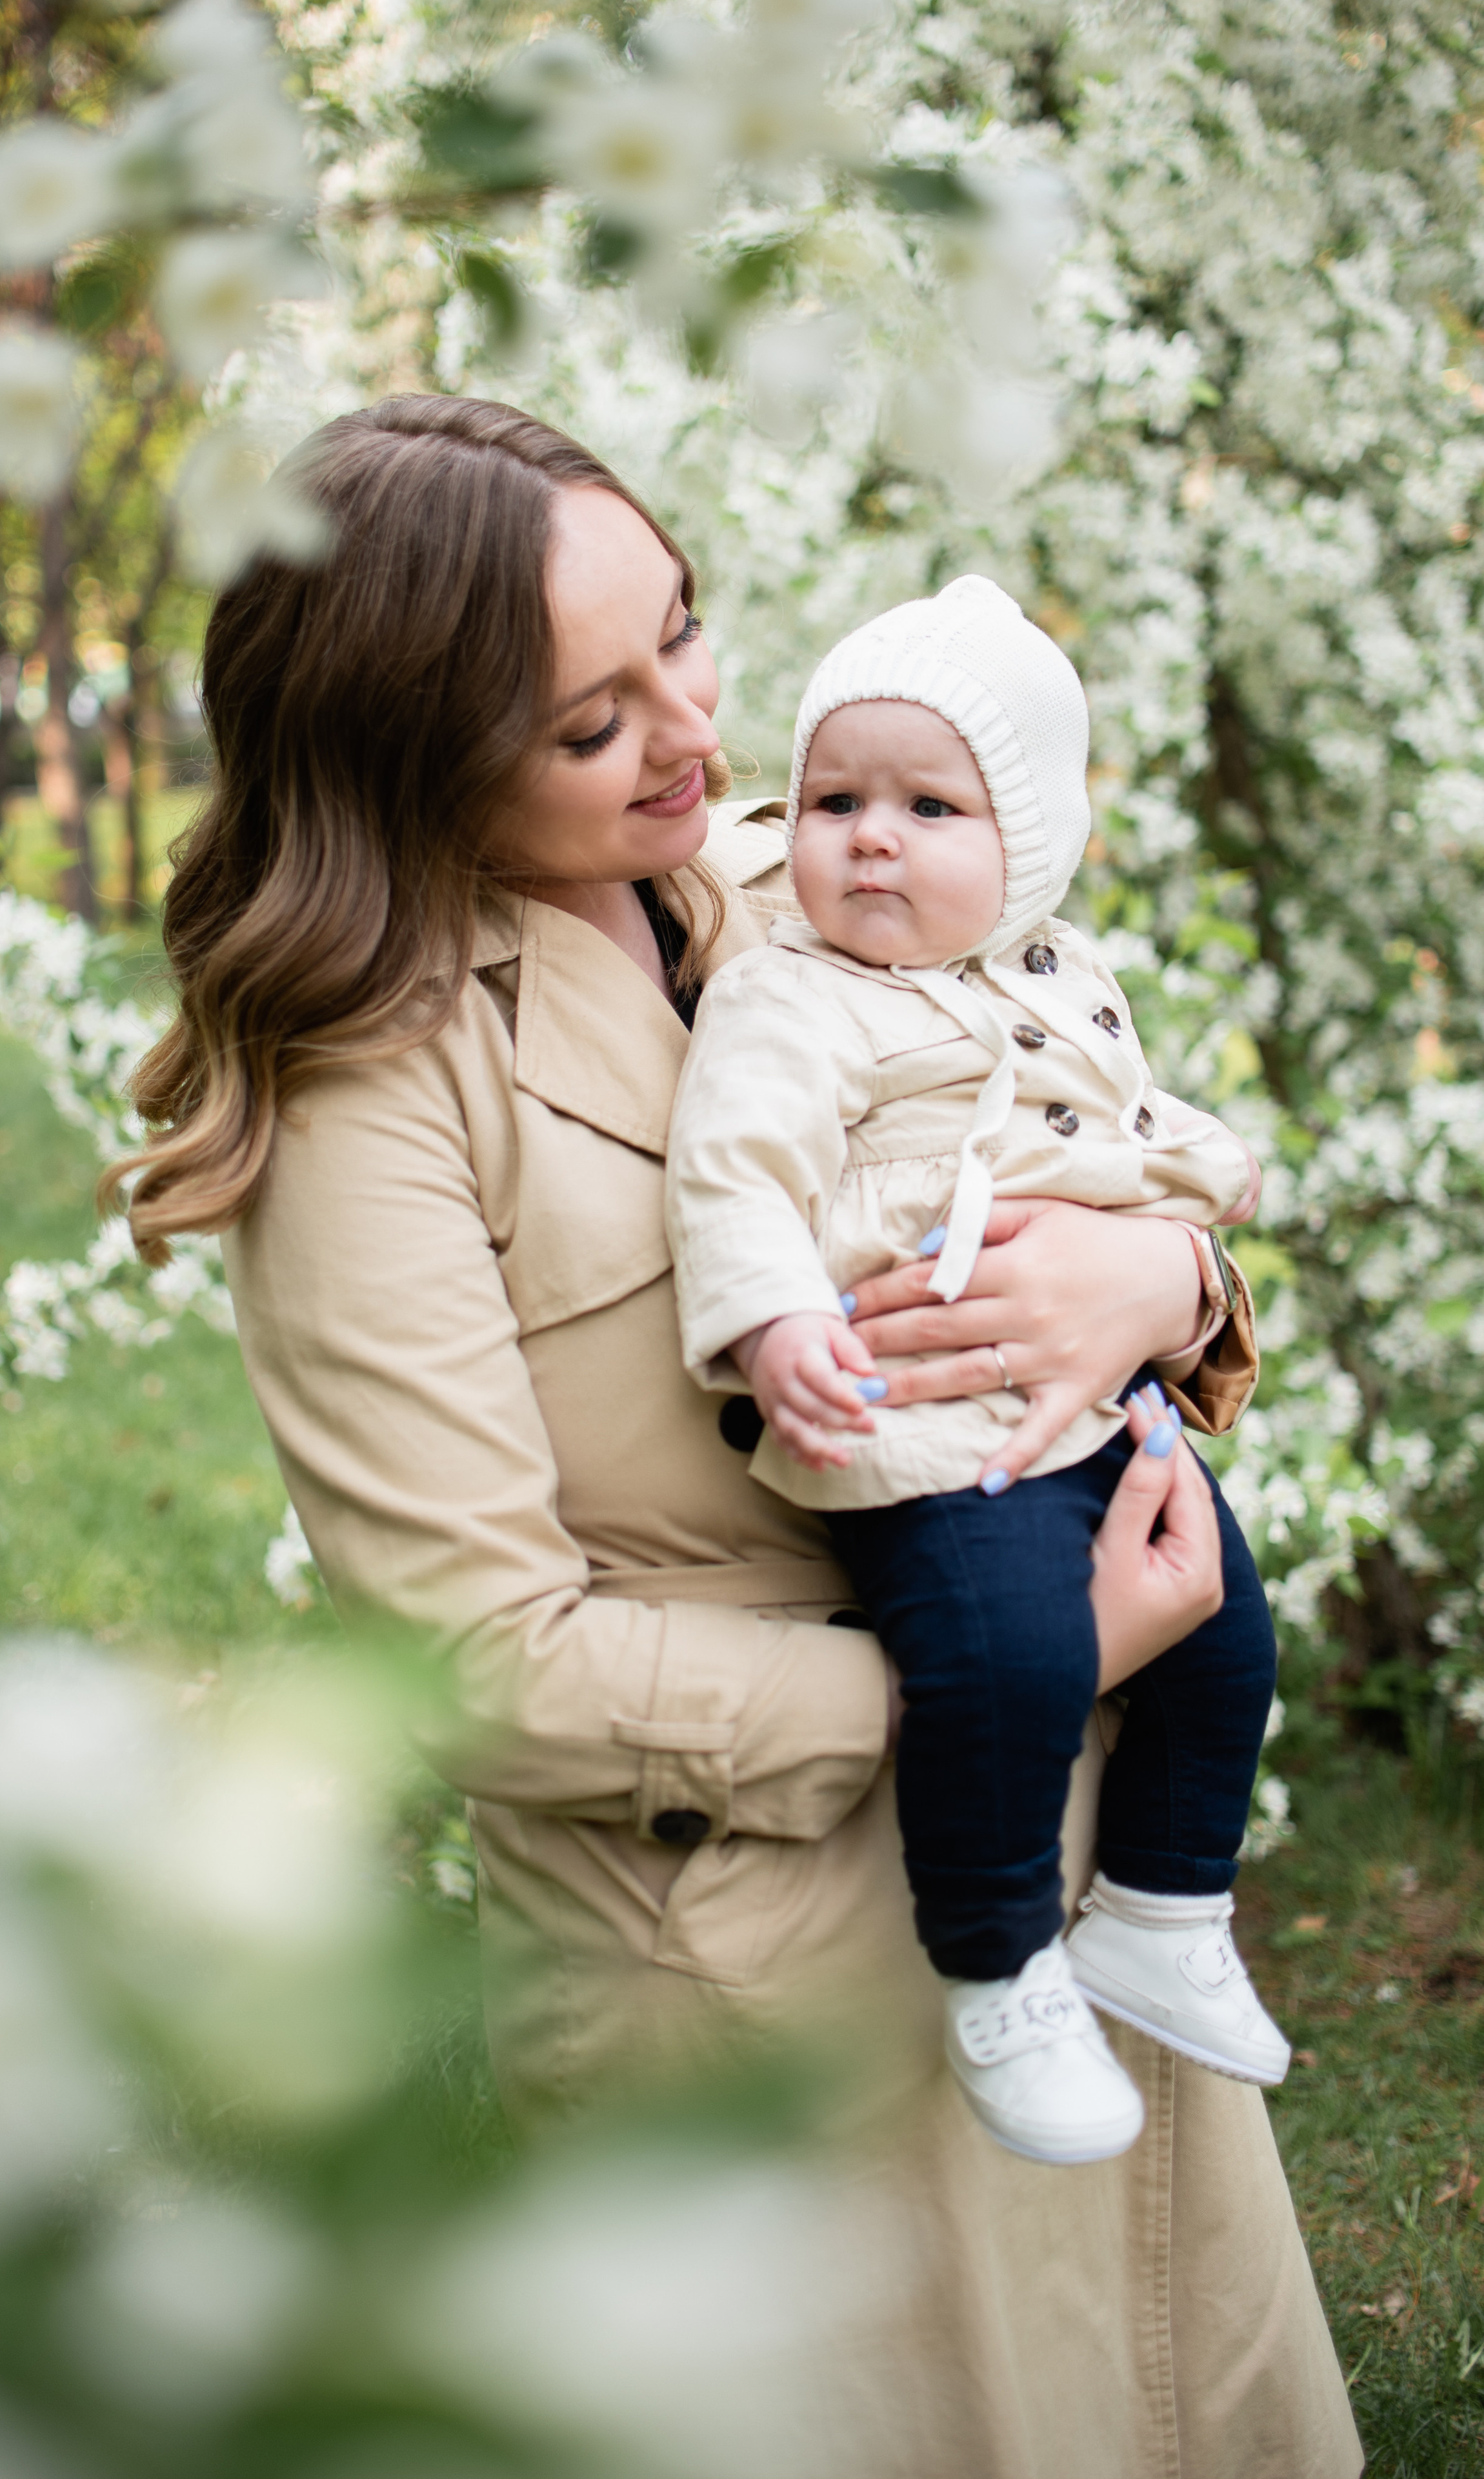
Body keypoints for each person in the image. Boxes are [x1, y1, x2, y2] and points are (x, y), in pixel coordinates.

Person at [113, 395, 1359, 2477]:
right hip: (766, 1957)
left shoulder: (799, 874)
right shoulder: (375, 1099)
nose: (693, 731)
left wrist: (1168, 1288)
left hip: (1064, 1847)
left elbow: (1081, 1125)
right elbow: (479, 1661)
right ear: (417, 754)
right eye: (589, 723)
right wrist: (989, 1677)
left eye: (681, 633)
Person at [665, 580, 1290, 2170]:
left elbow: (1111, 1113)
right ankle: (1000, 1964)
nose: (869, 837)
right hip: (926, 1414)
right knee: (1007, 1650)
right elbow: (735, 1170)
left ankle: (1161, 1906)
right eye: (833, 800)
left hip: (1084, 1395)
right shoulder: (788, 992)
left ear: (1026, 852)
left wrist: (1205, 1173)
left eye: (928, 807)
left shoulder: (1050, 969)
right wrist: (773, 1321)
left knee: (1224, 1621)